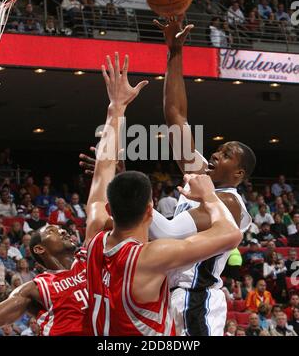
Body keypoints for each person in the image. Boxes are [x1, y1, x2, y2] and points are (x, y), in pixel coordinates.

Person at [86, 53, 242, 336]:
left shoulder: (227, 200)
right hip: (171, 300)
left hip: (195, 299)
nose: (217, 154)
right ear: (147, 210)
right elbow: (176, 116)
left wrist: (117, 109)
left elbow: (166, 233)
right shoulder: (153, 255)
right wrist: (174, 53)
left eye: (227, 154)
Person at [0, 56, 123, 336]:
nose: (65, 230)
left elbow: (103, 171)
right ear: (39, 248)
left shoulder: (89, 256)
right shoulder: (34, 288)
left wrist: (117, 109)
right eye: (54, 230)